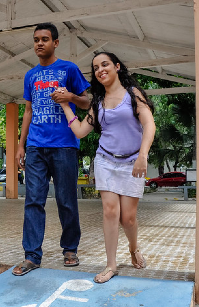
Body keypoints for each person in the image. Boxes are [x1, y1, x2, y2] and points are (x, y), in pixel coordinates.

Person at [57, 52, 156, 283]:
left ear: (117, 67)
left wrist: (143, 155)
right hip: (105, 160)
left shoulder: (133, 95)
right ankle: (111, 265)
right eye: (96, 67)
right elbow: (81, 131)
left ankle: (133, 248)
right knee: (111, 211)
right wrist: (66, 104)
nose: (101, 69)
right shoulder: (98, 103)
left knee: (128, 219)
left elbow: (149, 124)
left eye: (105, 64)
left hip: (133, 161)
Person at [12, 22, 91, 276]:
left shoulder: (69, 69)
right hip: (35, 147)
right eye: (36, 39)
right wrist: (20, 145)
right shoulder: (30, 75)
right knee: (33, 200)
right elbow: (27, 111)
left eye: (45, 39)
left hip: (65, 146)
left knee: (66, 200)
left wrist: (70, 97)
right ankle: (32, 256)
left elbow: (89, 102)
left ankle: (70, 249)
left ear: (55, 43)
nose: (39, 43)